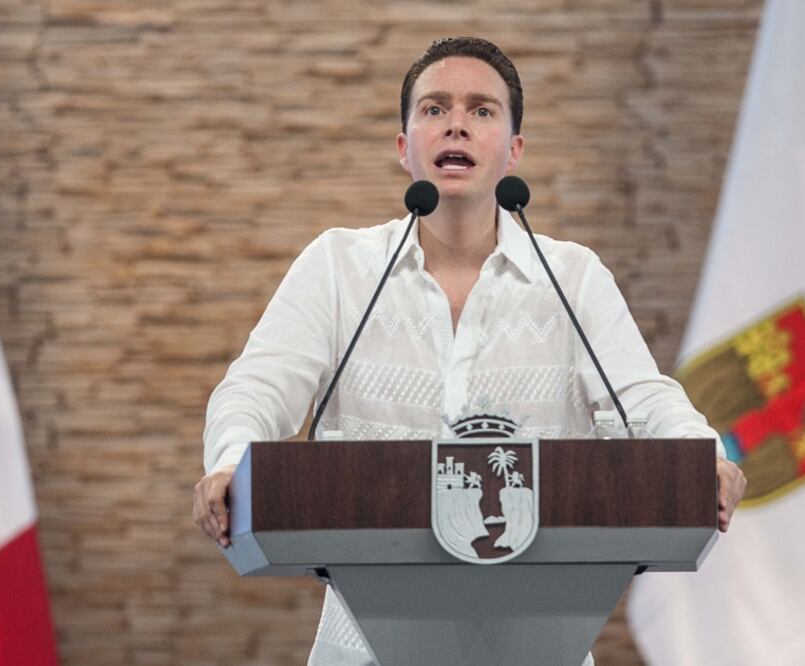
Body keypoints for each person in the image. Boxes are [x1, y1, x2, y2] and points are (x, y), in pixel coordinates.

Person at [193, 36, 747, 665]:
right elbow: (256, 388)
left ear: (513, 150)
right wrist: (229, 461)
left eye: (482, 110)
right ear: (404, 148)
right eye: (434, 109)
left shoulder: (573, 277)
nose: (456, 123)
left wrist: (703, 454)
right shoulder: (340, 267)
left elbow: (645, 401)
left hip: (541, 648)